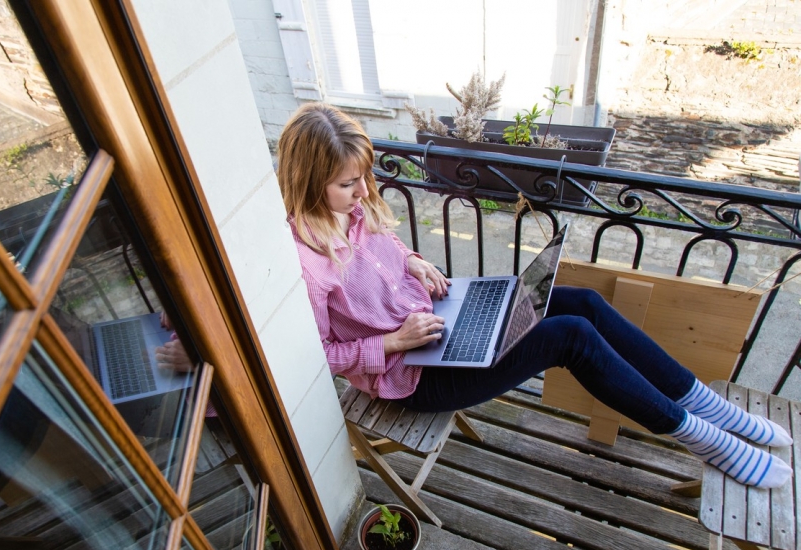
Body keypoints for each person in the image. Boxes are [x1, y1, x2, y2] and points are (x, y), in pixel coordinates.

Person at [277, 102, 792, 489]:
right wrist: (392, 343)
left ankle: (711, 408)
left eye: (365, 176)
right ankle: (704, 439)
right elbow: (317, 360)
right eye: (349, 184)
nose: (365, 191)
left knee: (582, 302)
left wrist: (412, 260)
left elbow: (381, 244)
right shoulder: (303, 265)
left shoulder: (355, 209)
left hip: (439, 323)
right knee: (569, 336)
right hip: (413, 378)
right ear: (308, 181)